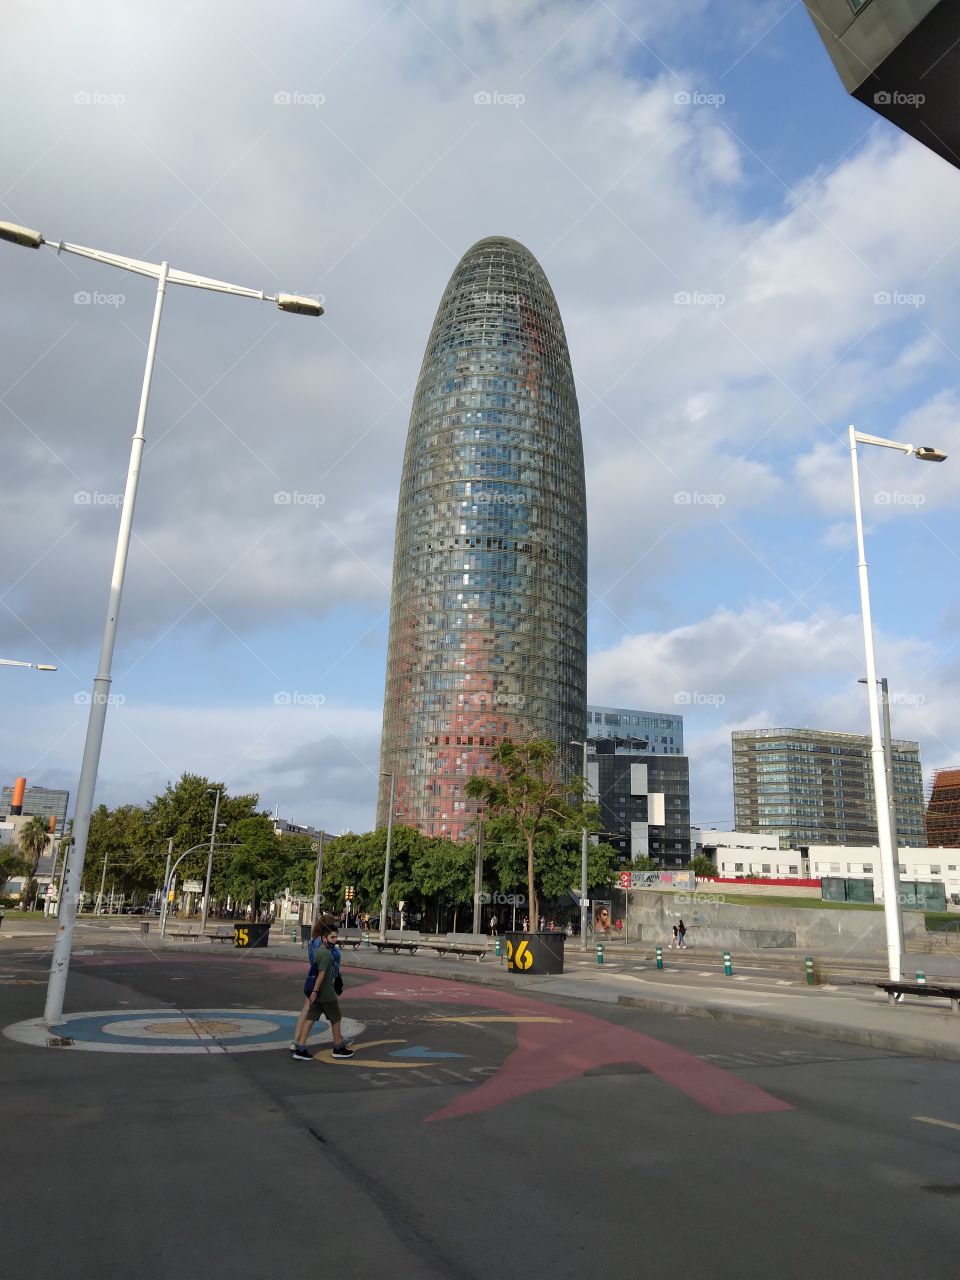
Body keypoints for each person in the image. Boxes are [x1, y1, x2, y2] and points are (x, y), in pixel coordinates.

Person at [291, 924, 354, 1061]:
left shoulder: (318, 951)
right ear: (324, 938)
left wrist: (314, 993)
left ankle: (300, 1049)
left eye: (336, 937)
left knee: (310, 1019)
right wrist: (315, 991)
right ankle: (338, 1047)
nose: (334, 940)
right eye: (332, 937)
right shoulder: (326, 954)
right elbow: (321, 974)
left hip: (317, 993)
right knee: (336, 1018)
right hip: (326, 993)